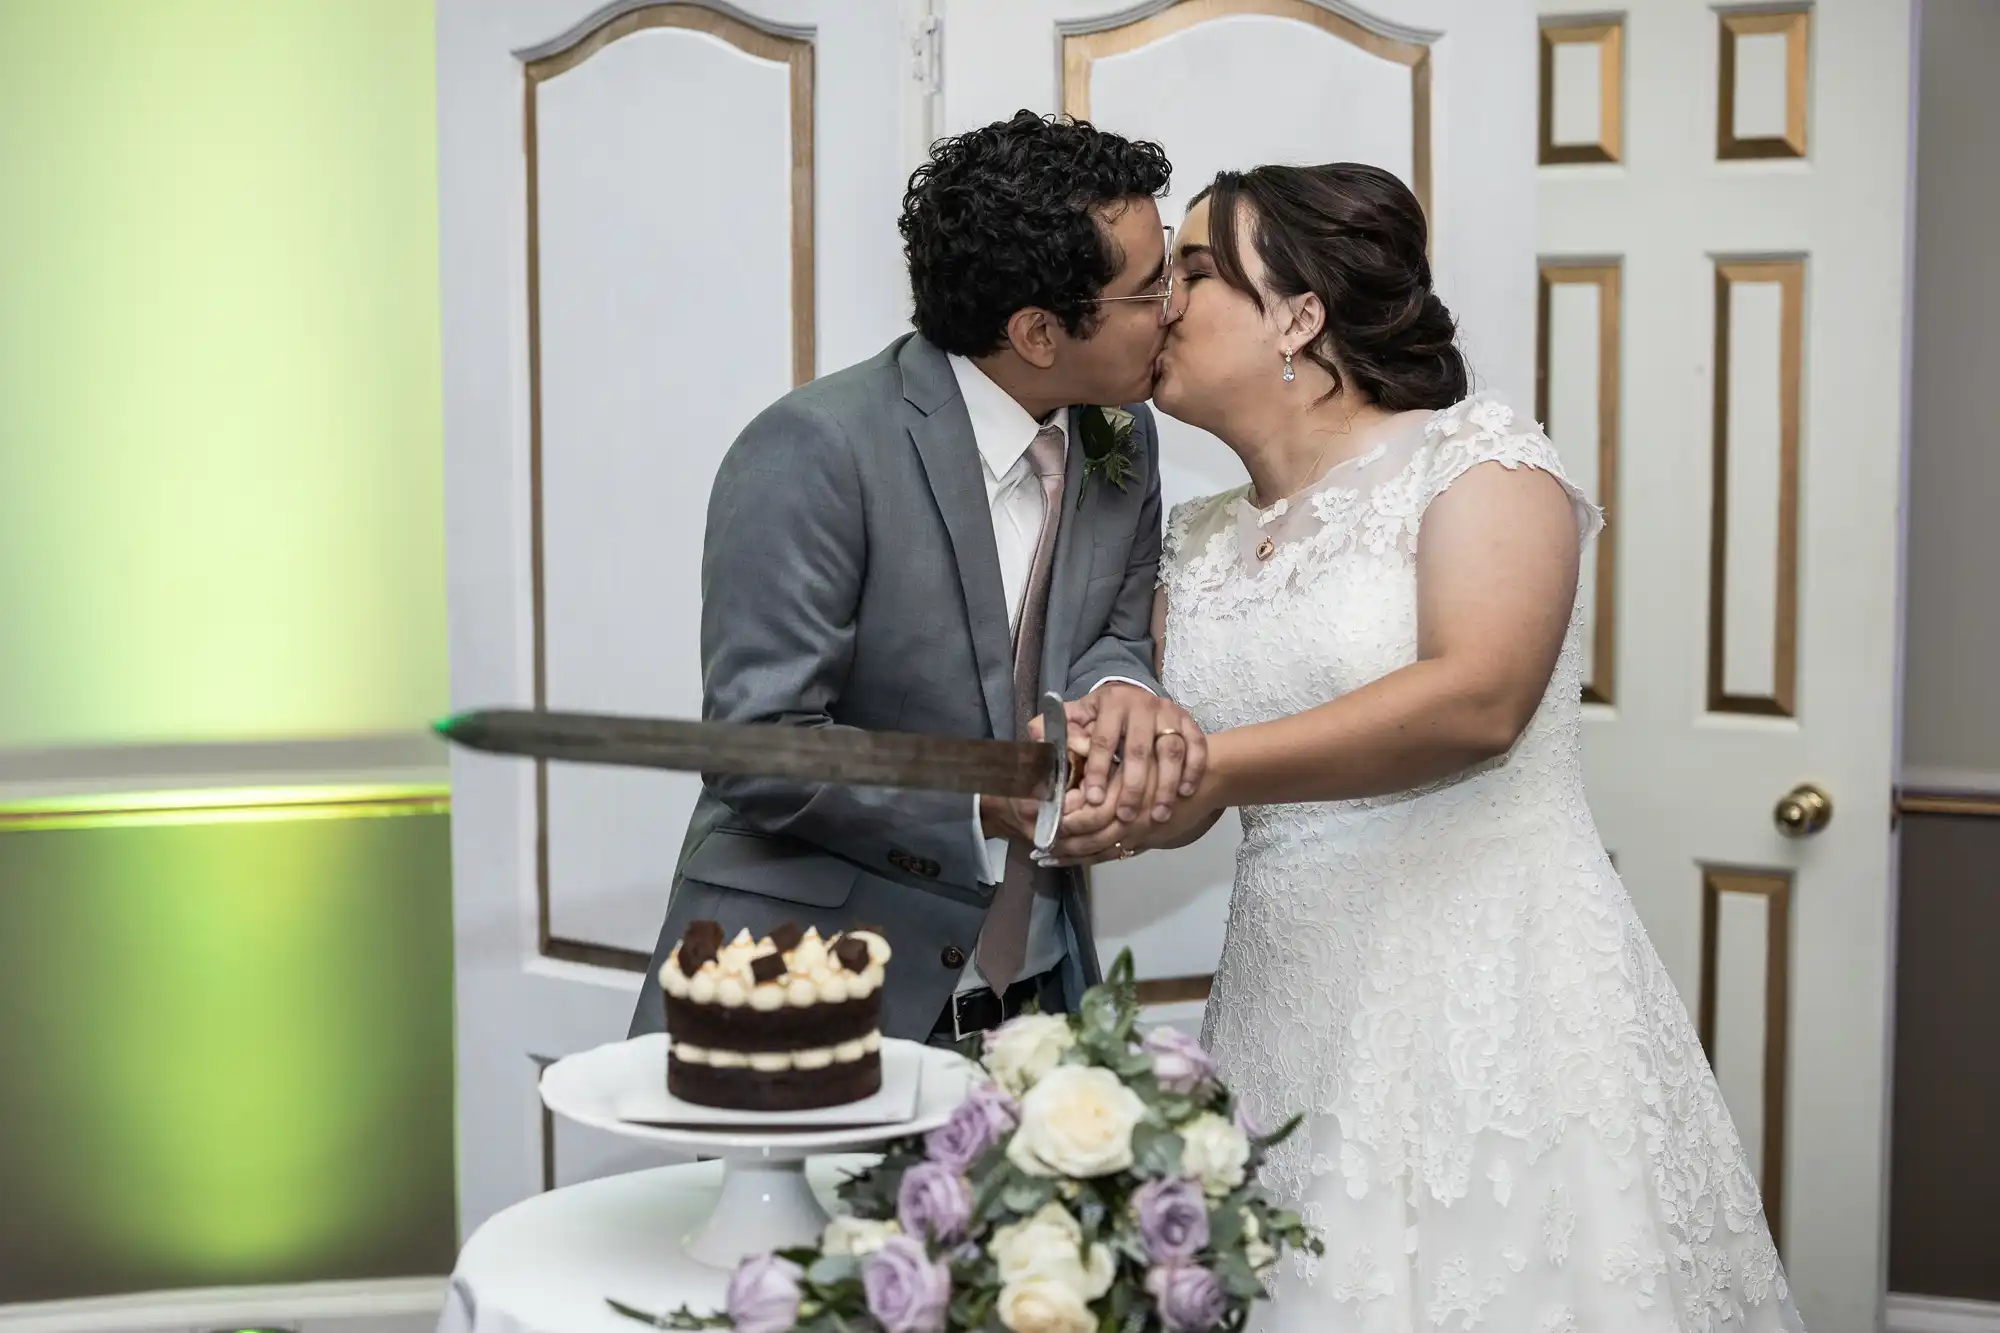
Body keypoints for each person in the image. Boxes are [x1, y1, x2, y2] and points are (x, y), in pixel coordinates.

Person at [1055, 163, 1802, 1330]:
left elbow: (1475, 702)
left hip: (1491, 997)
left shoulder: (1480, 462)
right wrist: (1098, 797)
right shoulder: (1194, 540)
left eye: (1194, 271)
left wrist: (1209, 764)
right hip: (1288, 1003)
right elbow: (1187, 784)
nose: (1160, 300)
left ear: (1296, 313)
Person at [629, 112, 1207, 1048]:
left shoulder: (1126, 438)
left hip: (1039, 994)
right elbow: (757, 745)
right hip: (816, 991)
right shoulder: (817, 448)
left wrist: (1120, 689)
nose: (1175, 304)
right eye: (1152, 287)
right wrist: (983, 798)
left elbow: (1111, 632)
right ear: (1038, 331)